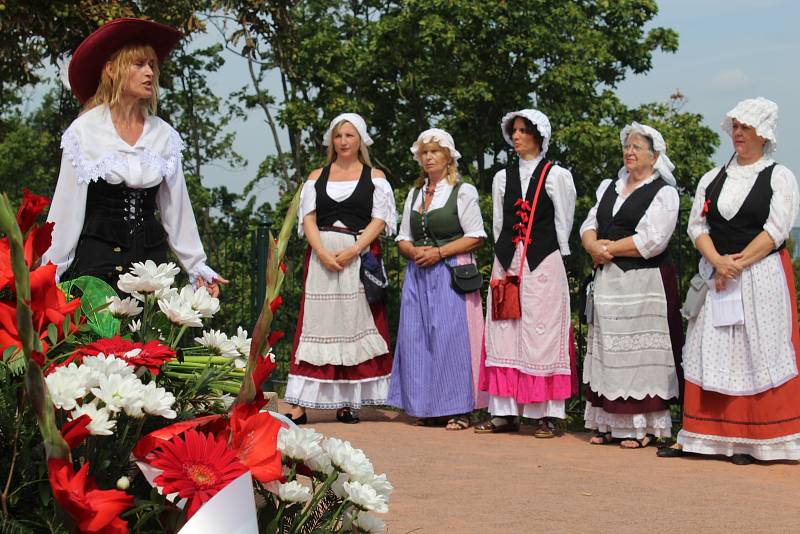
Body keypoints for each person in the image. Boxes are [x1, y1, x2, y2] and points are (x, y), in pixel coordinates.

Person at [659, 97, 800, 463]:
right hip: (718, 275)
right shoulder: (713, 177)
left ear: (763, 133)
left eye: (745, 127)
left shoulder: (779, 176)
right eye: (735, 127)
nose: (738, 133)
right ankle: (707, 437)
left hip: (760, 275)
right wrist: (718, 262)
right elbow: (697, 226)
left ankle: (758, 440)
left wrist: (736, 265)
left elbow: (775, 230)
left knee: (758, 350)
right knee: (712, 347)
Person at [43, 18, 226, 296]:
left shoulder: (164, 136)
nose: (149, 72)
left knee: (149, 340)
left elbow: (177, 210)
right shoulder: (84, 132)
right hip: (98, 270)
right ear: (111, 70)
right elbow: (66, 209)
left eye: (152, 65)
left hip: (151, 269)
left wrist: (197, 267)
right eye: (139, 64)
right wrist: (51, 272)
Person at [284, 113, 397, 424]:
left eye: (349, 135)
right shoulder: (316, 176)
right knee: (317, 324)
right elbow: (308, 218)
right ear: (331, 141)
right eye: (338, 136)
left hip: (356, 255)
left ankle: (348, 403)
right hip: (322, 259)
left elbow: (380, 219)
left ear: (360, 139)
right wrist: (321, 251)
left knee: (351, 323)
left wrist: (354, 250)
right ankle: (301, 404)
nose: (344, 141)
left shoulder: (375, 177)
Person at [579, 122, 683, 449]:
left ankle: (643, 428)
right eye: (628, 146)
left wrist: (606, 249)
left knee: (640, 352)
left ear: (654, 157)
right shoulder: (610, 186)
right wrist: (593, 246)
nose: (630, 152)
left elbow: (653, 240)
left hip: (644, 282)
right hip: (609, 282)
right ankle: (610, 423)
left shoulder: (663, 192)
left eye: (638, 147)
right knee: (609, 349)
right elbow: (590, 222)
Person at [476, 109, 577, 437]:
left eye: (523, 131)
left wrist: (558, 250)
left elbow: (564, 218)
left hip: (543, 260)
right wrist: (504, 253)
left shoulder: (556, 175)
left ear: (539, 136)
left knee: (541, 333)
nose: (516, 136)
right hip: (507, 259)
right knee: (505, 332)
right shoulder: (502, 177)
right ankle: (504, 411)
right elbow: (498, 223)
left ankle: (548, 414)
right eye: (514, 131)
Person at [387, 129, 487, 430]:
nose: (429, 157)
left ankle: (460, 408)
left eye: (435, 152)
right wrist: (413, 250)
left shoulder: (462, 191)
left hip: (451, 271)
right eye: (424, 153)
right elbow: (403, 236)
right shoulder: (416, 194)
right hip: (419, 272)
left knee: (451, 339)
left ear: (448, 157)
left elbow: (476, 236)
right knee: (417, 337)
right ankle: (427, 406)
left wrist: (440, 252)